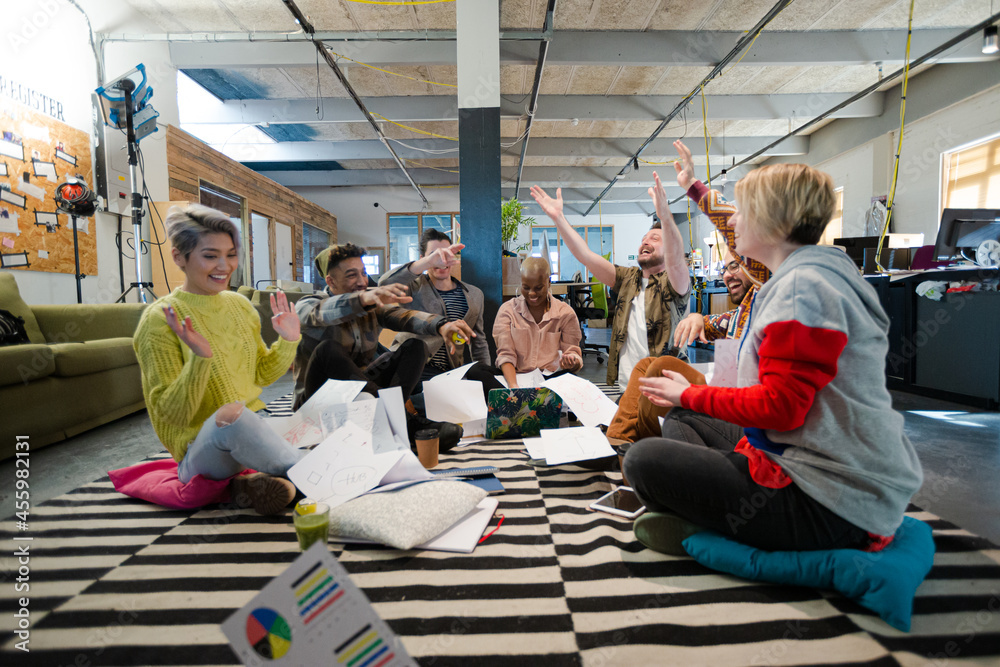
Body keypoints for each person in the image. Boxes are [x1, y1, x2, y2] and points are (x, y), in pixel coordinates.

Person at [623, 162, 923, 557]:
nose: (733, 222)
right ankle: (711, 509)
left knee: (645, 459)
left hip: (829, 502)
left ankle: (718, 524)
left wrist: (689, 395)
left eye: (742, 210)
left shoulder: (802, 289)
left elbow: (781, 408)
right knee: (683, 419)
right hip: (811, 465)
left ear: (774, 222)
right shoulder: (806, 274)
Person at [133, 204, 302, 515]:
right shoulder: (159, 319)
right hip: (200, 454)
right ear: (178, 257)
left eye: (231, 254)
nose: (224, 265)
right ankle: (318, 475)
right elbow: (175, 415)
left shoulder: (239, 305)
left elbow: (262, 375)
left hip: (249, 430)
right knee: (232, 416)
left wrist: (288, 341)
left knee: (313, 421)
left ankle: (252, 485)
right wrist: (200, 359)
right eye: (210, 255)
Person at [294, 243, 474, 447]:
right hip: (320, 403)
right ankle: (401, 423)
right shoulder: (308, 304)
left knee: (414, 347)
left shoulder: (371, 305)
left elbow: (403, 316)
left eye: (363, 273)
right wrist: (362, 299)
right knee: (328, 350)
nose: (362, 281)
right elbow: (320, 312)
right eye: (352, 275)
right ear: (330, 281)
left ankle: (393, 422)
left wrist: (442, 325)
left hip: (364, 397)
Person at [530, 173, 690, 387]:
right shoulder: (628, 278)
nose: (645, 241)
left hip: (665, 385)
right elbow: (585, 255)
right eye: (643, 239)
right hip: (627, 384)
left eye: (654, 238)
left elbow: (678, 259)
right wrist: (558, 218)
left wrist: (666, 217)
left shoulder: (674, 283)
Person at [378, 228, 503, 396]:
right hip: (413, 370)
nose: (441, 260)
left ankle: (515, 408)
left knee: (481, 376)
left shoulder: (474, 294)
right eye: (435, 255)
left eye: (446, 254)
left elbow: (478, 342)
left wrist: (485, 372)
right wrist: (426, 264)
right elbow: (384, 282)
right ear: (424, 259)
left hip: (449, 372)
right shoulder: (412, 287)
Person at [493, 257, 583, 388]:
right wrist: (513, 386)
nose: (531, 293)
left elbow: (573, 352)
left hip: (551, 377)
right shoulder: (507, 311)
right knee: (478, 371)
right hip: (516, 376)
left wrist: (571, 361)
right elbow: (506, 354)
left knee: (573, 380)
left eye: (538, 288)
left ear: (549, 283)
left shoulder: (565, 313)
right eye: (526, 287)